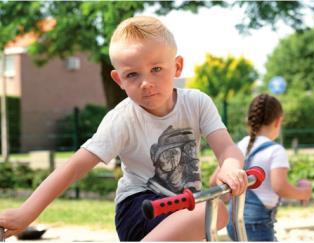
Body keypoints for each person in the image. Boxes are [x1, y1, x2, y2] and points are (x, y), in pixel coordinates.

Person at [0, 16, 248, 241]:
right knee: (212, 212)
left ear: (178, 67)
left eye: (157, 69)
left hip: (183, 208)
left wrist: (230, 167)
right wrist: (25, 213)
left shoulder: (197, 103)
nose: (146, 83)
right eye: (132, 75)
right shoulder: (123, 119)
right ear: (119, 80)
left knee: (211, 211)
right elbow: (73, 168)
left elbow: (227, 148)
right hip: (140, 208)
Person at [209, 93, 312, 241]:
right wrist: (304, 193)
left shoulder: (238, 146)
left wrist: (231, 194)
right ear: (278, 121)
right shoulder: (276, 151)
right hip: (257, 225)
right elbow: (280, 187)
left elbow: (214, 181)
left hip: (233, 222)